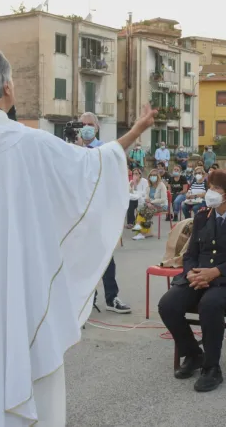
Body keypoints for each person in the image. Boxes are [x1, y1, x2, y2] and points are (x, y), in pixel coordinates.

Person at [0, 49, 156, 426]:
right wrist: (136, 131)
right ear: (7, 87)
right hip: (14, 283)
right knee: (20, 360)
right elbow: (92, 164)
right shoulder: (27, 142)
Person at [158, 170, 226, 393]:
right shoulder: (202, 215)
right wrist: (191, 273)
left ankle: (212, 368)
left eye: (216, 189)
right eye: (210, 187)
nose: (210, 192)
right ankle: (194, 354)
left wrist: (215, 272)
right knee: (168, 304)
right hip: (199, 276)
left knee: (210, 304)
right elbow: (191, 253)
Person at [77, 112, 132, 314]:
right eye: (82, 124)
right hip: (78, 212)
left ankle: (112, 297)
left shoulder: (104, 150)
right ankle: (85, 299)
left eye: (90, 124)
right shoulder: (72, 150)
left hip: (99, 210)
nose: (86, 128)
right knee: (79, 257)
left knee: (105, 255)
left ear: (97, 127)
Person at [132, 169, 168, 240]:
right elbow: (146, 197)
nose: (153, 177)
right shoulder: (149, 186)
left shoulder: (161, 185)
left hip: (161, 205)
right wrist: (148, 202)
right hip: (151, 204)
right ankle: (142, 230)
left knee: (147, 212)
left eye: (154, 175)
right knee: (140, 210)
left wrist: (151, 202)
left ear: (158, 176)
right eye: (151, 175)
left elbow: (163, 199)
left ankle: (142, 233)